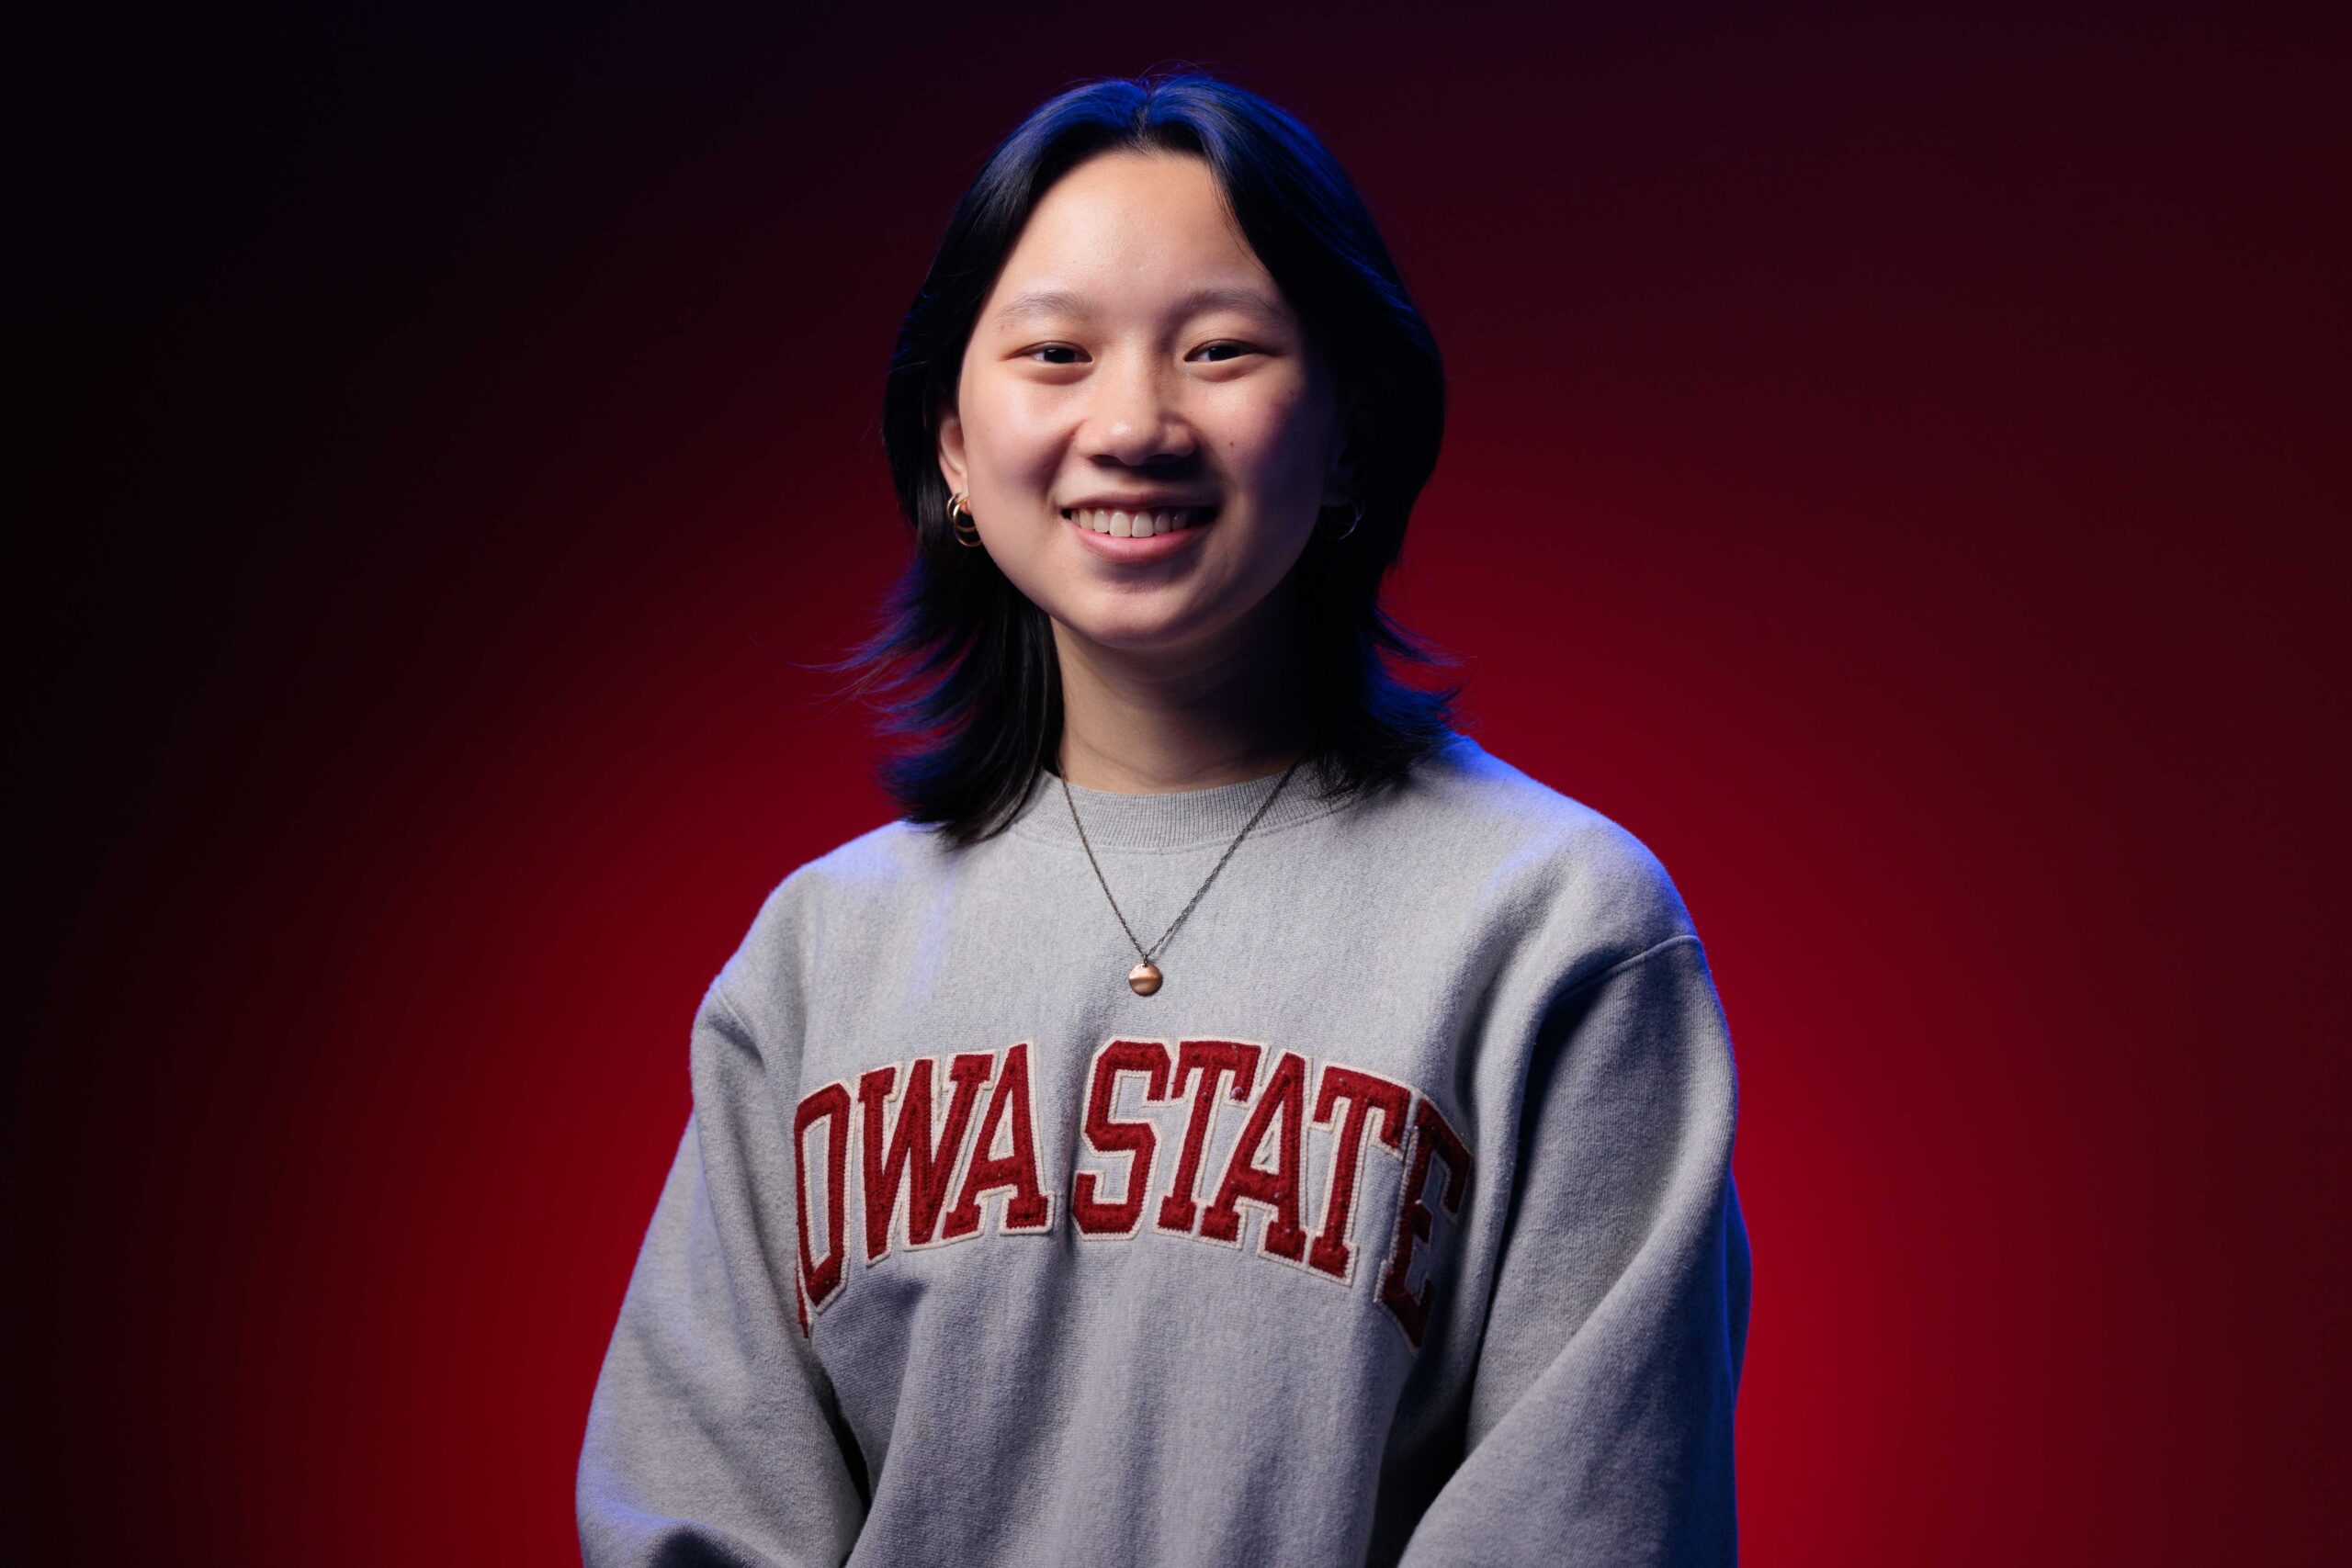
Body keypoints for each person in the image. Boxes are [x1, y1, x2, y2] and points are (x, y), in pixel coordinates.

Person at [575, 69, 1751, 1567]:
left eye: (1220, 349)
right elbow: (692, 1511)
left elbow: (1594, 1524)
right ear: (950, 445)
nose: (1133, 423)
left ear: (1345, 436)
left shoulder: (1560, 930)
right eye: (1055, 352)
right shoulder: (817, 960)